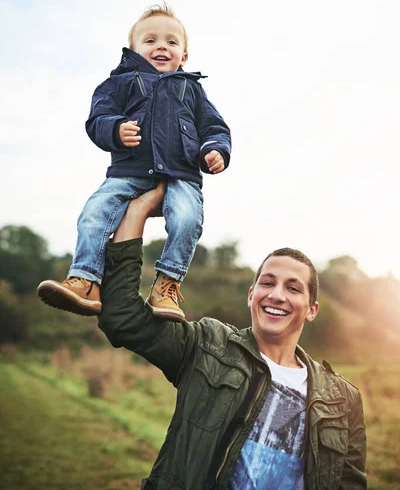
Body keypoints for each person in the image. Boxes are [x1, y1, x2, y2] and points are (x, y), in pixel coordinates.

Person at [98, 183, 367, 490]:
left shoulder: (343, 399)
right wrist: (138, 211)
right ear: (251, 295)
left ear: (312, 309)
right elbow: (122, 318)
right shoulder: (205, 345)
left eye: (293, 288)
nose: (277, 295)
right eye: (267, 283)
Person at [37, 3, 231, 321]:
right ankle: (85, 279)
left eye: (171, 41)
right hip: (129, 170)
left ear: (184, 56)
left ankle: (166, 286)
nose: (161, 47)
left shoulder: (192, 89)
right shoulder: (120, 82)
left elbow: (215, 128)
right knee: (94, 213)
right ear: (134, 49)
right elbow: (98, 118)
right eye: (150, 40)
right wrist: (115, 128)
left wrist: (215, 151)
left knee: (187, 219)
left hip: (182, 174)